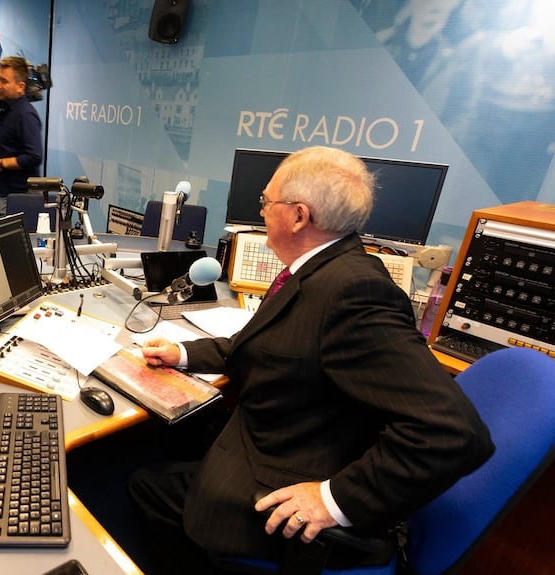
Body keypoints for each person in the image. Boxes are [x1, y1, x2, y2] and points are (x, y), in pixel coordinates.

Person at [130, 146, 494, 573]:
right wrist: (182, 353)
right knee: (173, 446)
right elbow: (267, 345)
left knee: (146, 485)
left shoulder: (353, 293)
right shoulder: (321, 267)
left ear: (299, 216)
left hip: (288, 489)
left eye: (266, 201)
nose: (260, 211)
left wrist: (334, 500)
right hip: (283, 438)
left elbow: (454, 432)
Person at [0, 56, 43, 217]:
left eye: (4, 81)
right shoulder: (6, 112)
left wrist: (1, 163)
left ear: (20, 87)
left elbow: (34, 156)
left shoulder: (25, 114)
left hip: (23, 199)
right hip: (9, 195)